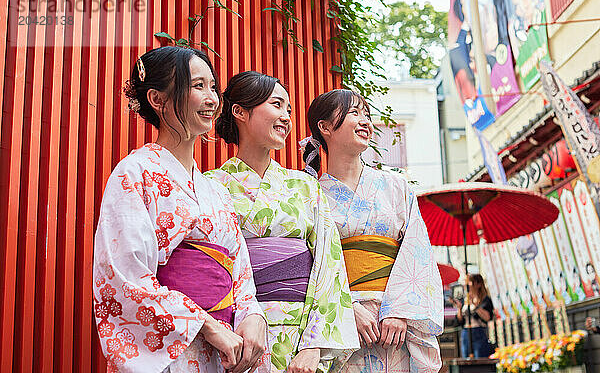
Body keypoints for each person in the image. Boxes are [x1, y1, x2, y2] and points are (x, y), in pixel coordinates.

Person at [92, 46, 267, 373]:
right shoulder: (134, 174)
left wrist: (252, 316)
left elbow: (239, 271)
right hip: (175, 347)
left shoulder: (215, 190)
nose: (212, 98)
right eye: (197, 86)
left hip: (227, 347)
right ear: (158, 100)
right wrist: (204, 325)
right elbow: (124, 278)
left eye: (213, 86)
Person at [205, 72, 359, 373]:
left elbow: (330, 266)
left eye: (289, 110)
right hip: (234, 334)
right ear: (240, 112)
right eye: (277, 105)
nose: (287, 117)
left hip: (299, 337)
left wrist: (314, 347)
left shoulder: (304, 186)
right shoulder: (210, 186)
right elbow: (204, 270)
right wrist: (219, 332)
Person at [302, 89, 443, 372]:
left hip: (394, 329)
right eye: (354, 113)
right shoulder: (310, 194)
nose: (365, 121)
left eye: (366, 114)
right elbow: (306, 265)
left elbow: (417, 254)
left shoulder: (396, 186)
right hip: (339, 326)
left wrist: (400, 312)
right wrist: (346, 309)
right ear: (325, 127)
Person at [450, 274, 494, 358]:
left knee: (480, 357)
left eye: (471, 282)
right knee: (466, 358)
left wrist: (475, 305)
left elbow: (487, 317)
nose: (468, 285)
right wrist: (459, 308)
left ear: (478, 284)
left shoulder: (484, 299)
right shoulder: (465, 299)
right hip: (466, 332)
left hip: (479, 331)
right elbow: (460, 320)